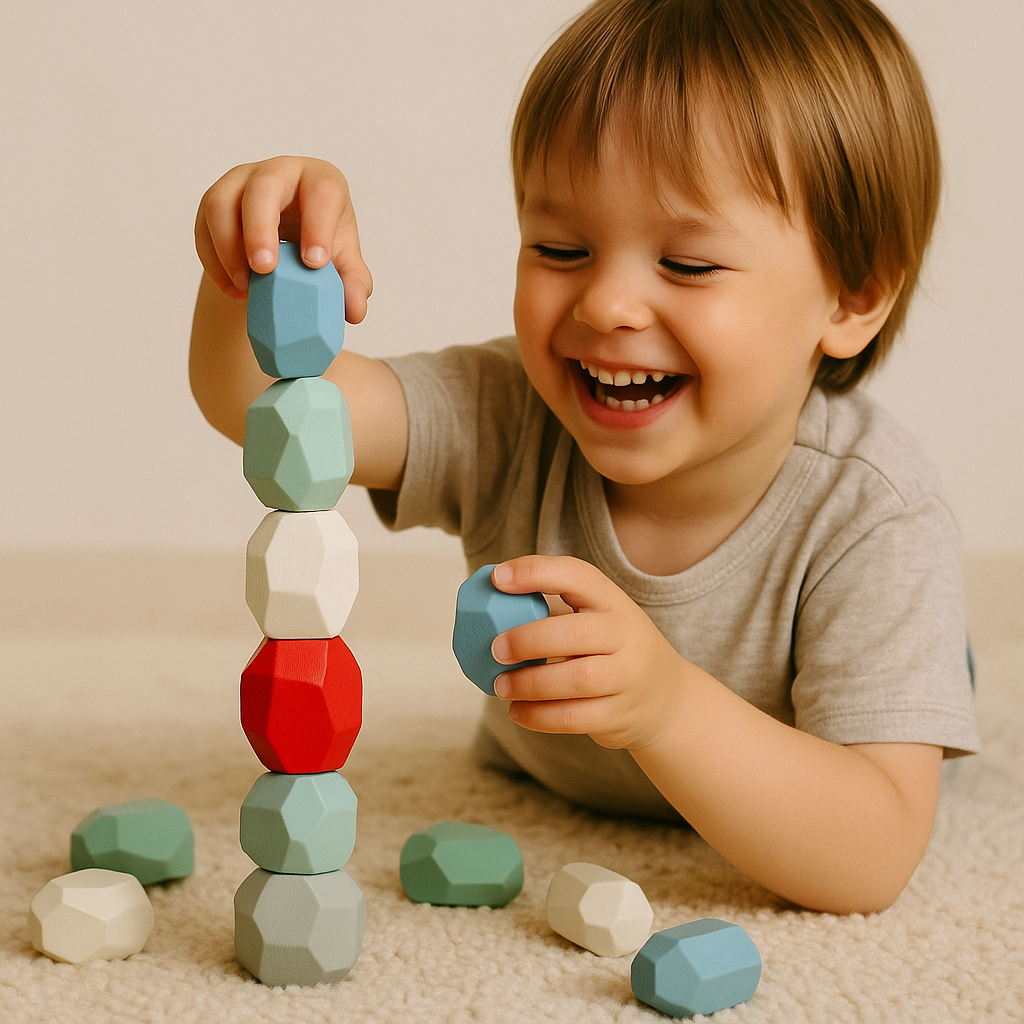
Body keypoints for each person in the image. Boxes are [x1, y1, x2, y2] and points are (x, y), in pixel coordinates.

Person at [190, 0, 980, 914]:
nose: (606, 304)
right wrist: (260, 257)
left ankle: (929, 690)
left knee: (900, 696)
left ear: (853, 295)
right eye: (561, 248)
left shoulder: (874, 516)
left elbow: (869, 859)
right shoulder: (510, 412)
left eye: (688, 264)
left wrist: (667, 707)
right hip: (540, 781)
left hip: (833, 746)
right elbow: (265, 405)